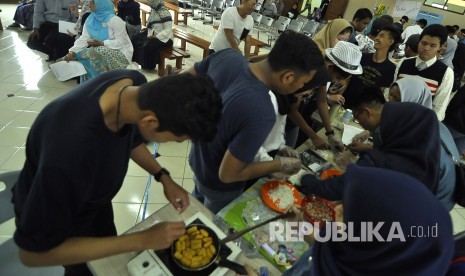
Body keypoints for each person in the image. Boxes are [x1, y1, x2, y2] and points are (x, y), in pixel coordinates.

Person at [12, 70, 223, 275]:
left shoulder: (132, 86)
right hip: (59, 215)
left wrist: (163, 177)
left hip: (93, 202)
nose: (171, 143)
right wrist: (143, 239)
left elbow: (130, 138)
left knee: (108, 255)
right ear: (150, 121)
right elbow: (33, 254)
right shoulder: (71, 151)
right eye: (175, 139)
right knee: (87, 269)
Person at [186, 31, 325, 213]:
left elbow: (183, 82)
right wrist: (280, 164)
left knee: (195, 206)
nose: (302, 89)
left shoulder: (228, 57)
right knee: (211, 221)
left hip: (199, 159)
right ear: (288, 77)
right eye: (303, 83)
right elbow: (228, 174)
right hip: (219, 185)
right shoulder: (262, 110)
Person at [281, 165, 454, 276]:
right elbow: (327, 244)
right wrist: (299, 227)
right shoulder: (358, 253)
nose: (337, 208)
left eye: (351, 210)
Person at [301, 90, 441, 199]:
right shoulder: (418, 122)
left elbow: (341, 187)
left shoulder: (381, 160)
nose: (360, 124)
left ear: (367, 113)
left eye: (357, 119)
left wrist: (306, 178)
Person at [62, 0, 133, 82]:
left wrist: (103, 43)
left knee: (97, 51)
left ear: (101, 4)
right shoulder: (90, 19)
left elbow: (122, 42)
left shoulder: (115, 20)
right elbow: (84, 38)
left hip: (121, 52)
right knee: (82, 53)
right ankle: (92, 83)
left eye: (93, 2)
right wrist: (72, 52)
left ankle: (105, 81)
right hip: (100, 50)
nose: (89, 3)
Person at [394, 24, 454, 121]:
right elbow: (392, 94)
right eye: (424, 43)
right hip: (396, 117)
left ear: (441, 47)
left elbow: (438, 109)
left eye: (433, 45)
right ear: (419, 42)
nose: (426, 48)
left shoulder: (446, 73)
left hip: (419, 125)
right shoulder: (403, 64)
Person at [344, 25, 400, 109]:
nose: (376, 38)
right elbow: (348, 79)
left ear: (390, 42)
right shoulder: (362, 57)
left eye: (381, 36)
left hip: (363, 110)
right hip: (345, 102)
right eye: (377, 35)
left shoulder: (390, 68)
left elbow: (380, 93)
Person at [131, 0, 174, 70]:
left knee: (148, 45)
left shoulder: (165, 13)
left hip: (165, 38)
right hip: (154, 34)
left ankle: (148, 66)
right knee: (136, 38)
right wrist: (148, 32)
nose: (149, 3)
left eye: (150, 2)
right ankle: (139, 61)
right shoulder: (154, 11)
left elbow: (168, 30)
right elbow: (151, 26)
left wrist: (156, 37)